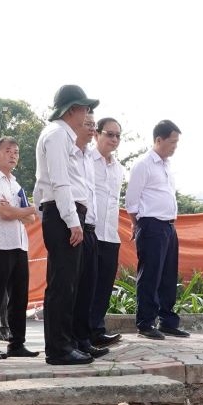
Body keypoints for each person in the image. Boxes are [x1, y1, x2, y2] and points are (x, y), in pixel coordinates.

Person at [33, 85, 99, 365]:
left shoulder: (61, 135)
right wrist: (72, 222)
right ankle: (58, 348)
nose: (86, 115)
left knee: (68, 283)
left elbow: (41, 187)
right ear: (72, 110)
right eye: (84, 108)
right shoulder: (58, 135)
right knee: (62, 284)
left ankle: (66, 343)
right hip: (64, 215)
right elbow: (59, 182)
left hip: (63, 213)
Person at [125, 120, 189, 340]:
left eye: (177, 143)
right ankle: (145, 323)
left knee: (168, 276)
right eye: (172, 142)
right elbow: (131, 201)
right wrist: (138, 224)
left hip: (169, 226)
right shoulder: (143, 165)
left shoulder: (166, 165)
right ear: (159, 140)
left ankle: (167, 321)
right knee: (150, 275)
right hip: (151, 224)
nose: (175, 147)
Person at [0, 136, 38, 359]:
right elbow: (3, 213)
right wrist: (28, 209)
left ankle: (16, 343)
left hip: (19, 244)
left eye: (16, 152)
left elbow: (30, 220)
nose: (13, 155)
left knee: (19, 297)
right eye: (8, 151)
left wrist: (20, 211)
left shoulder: (15, 183)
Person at [69, 112, 109, 359]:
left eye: (94, 124)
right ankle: (69, 342)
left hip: (91, 227)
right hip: (75, 225)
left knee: (87, 288)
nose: (92, 128)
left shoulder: (88, 158)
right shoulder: (69, 153)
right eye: (88, 123)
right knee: (72, 289)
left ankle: (83, 340)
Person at [87, 117, 125, 347]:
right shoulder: (86, 160)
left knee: (104, 285)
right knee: (87, 285)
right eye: (109, 134)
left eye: (118, 135)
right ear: (96, 134)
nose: (114, 139)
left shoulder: (119, 168)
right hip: (90, 231)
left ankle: (97, 330)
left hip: (110, 233)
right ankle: (82, 333)